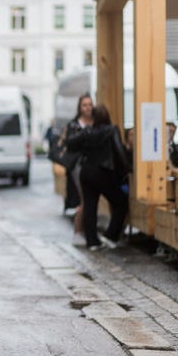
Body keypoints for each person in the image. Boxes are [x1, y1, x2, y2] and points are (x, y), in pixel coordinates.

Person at [68, 104, 130, 250]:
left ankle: (92, 242)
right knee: (120, 202)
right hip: (103, 172)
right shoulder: (112, 130)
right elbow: (119, 151)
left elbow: (71, 143)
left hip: (86, 172)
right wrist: (126, 169)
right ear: (107, 116)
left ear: (94, 117)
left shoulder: (87, 131)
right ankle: (111, 236)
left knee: (90, 207)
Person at [63, 94, 94, 245]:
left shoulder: (96, 122)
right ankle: (78, 232)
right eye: (84, 105)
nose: (88, 108)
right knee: (84, 199)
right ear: (80, 107)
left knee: (89, 199)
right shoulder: (74, 125)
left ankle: (87, 232)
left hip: (94, 165)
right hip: (79, 166)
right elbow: (69, 143)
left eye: (90, 104)